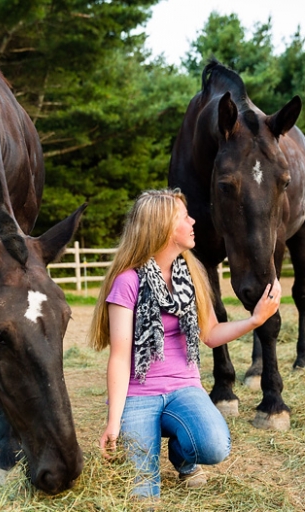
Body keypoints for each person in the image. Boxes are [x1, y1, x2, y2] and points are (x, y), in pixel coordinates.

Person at [88, 188, 281, 499]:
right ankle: (138, 436)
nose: (193, 221)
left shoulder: (191, 272)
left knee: (215, 446)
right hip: (138, 394)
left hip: (183, 388)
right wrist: (113, 423)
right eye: (183, 216)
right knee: (142, 494)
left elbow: (209, 334)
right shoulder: (127, 281)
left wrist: (255, 321)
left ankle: (183, 458)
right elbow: (120, 358)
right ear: (162, 227)